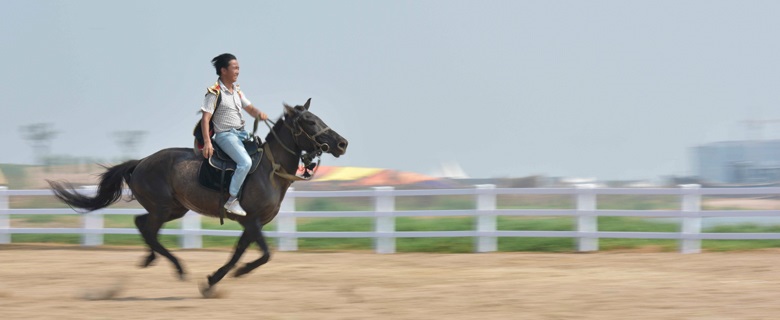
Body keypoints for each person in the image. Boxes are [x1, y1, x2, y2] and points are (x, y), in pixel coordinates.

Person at [200, 53, 268, 216]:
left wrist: (259, 114)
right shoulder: (214, 92)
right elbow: (206, 118)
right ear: (223, 70)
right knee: (245, 162)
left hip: (242, 134)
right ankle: (231, 200)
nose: (238, 71)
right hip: (225, 135)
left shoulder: (237, 91)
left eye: (238, 68)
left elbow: (250, 109)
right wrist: (207, 142)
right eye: (235, 68)